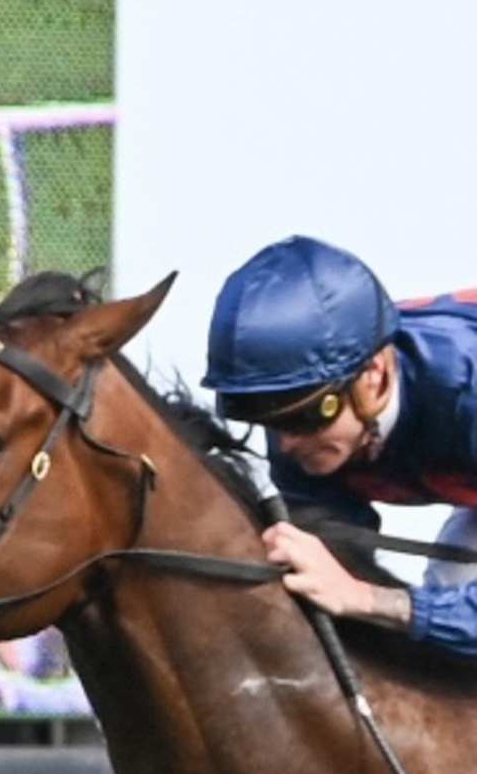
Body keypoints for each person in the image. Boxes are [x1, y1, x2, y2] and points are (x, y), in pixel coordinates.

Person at [204, 233, 477, 652]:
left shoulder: (466, 389)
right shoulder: (303, 422)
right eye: (266, 418)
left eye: (305, 415)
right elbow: (329, 575)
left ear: (375, 376)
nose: (287, 443)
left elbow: (356, 594)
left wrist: (369, 599)